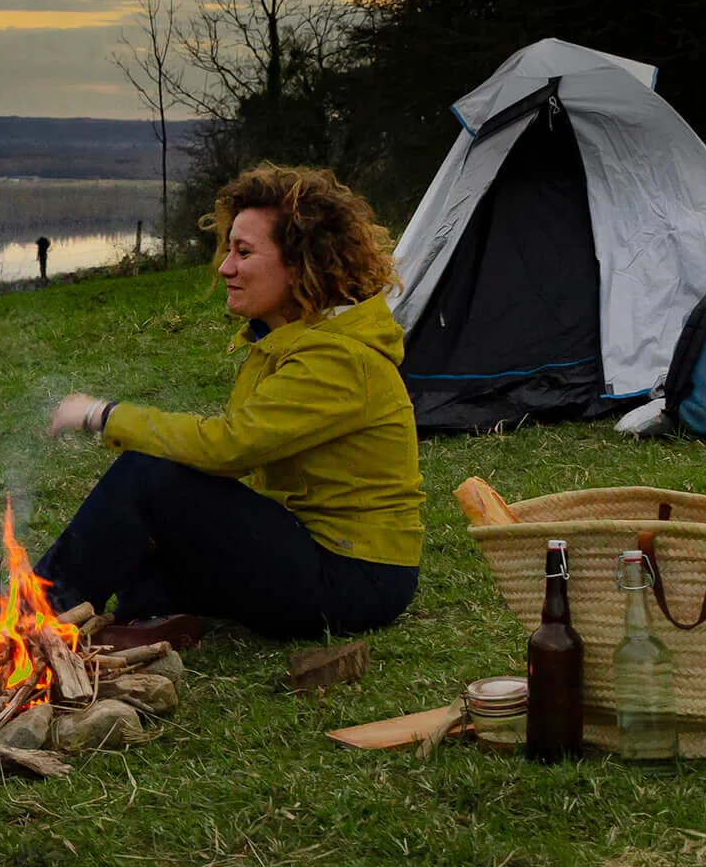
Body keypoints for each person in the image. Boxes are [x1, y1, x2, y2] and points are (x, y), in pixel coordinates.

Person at [36, 164, 421, 647]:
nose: (225, 267)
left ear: (300, 264)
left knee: (146, 476)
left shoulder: (338, 358)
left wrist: (103, 414)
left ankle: (31, 620)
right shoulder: (285, 342)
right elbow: (219, 468)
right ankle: (152, 617)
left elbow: (229, 447)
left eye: (243, 252)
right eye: (228, 250)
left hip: (355, 578)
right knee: (167, 484)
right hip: (315, 550)